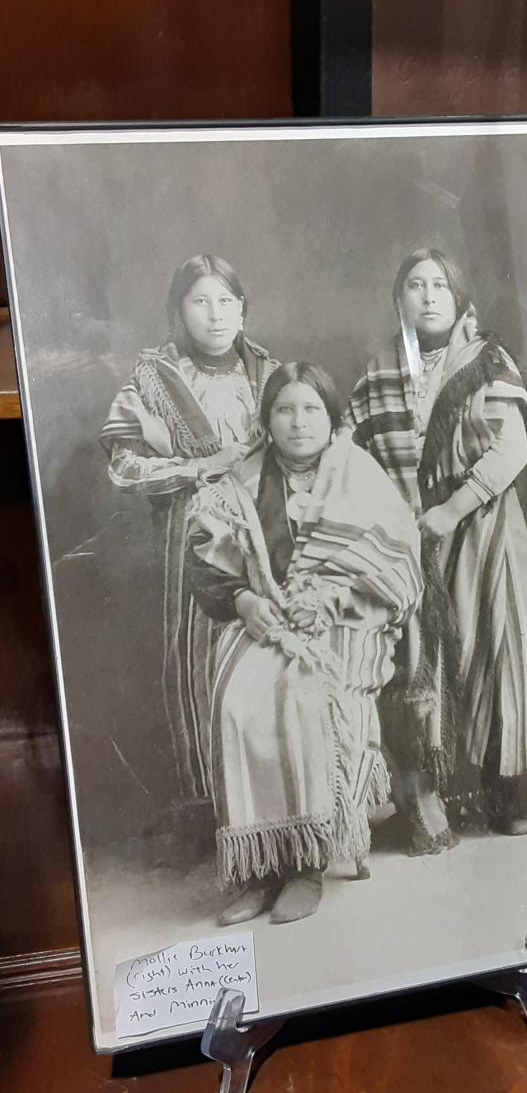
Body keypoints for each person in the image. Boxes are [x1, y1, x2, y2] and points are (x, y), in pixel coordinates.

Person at [348, 247, 527, 853]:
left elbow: (511, 449)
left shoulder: (484, 361)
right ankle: (438, 798)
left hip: (481, 524)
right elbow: (353, 454)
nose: (426, 295)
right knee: (428, 660)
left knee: (494, 650)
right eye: (414, 285)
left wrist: (450, 509)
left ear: (460, 297)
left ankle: (510, 796)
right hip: (406, 534)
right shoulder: (379, 372)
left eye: (438, 284)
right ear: (400, 299)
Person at [187, 363, 422, 925]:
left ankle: (306, 863)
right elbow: (205, 563)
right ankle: (259, 865)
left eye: (311, 409)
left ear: (331, 417)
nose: (298, 423)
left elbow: (396, 565)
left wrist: (328, 600)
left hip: (345, 619)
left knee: (304, 695)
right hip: (264, 616)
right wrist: (247, 602)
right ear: (267, 420)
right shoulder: (242, 480)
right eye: (285, 410)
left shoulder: (357, 473)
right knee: (238, 703)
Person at [100, 255, 278, 812]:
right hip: (193, 544)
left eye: (227, 302)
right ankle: (225, 814)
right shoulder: (154, 380)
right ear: (179, 311)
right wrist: (199, 467)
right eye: (200, 302)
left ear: (244, 310)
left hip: (270, 538)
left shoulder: (270, 375)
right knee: (206, 670)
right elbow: (123, 466)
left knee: (273, 667)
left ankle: (285, 810)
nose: (216, 315)